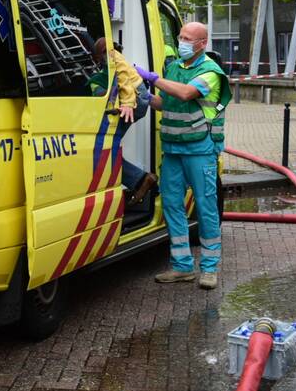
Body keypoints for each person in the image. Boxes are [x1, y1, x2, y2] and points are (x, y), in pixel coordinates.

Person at [134, 21, 231, 290]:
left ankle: (209, 269)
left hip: (200, 148)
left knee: (206, 207)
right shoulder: (175, 67)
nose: (182, 41)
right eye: (180, 36)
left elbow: (187, 93)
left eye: (188, 38)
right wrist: (145, 96)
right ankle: (182, 267)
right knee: (172, 205)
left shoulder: (211, 71)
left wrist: (153, 78)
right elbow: (168, 102)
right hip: (173, 147)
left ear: (202, 43)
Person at [88, 38, 157, 207]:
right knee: (107, 148)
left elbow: (123, 79)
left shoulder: (113, 56)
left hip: (135, 100)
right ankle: (140, 180)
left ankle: (140, 179)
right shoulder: (113, 60)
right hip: (139, 98)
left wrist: (126, 102)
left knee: (102, 150)